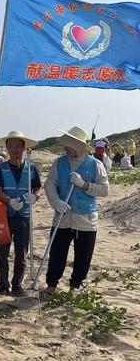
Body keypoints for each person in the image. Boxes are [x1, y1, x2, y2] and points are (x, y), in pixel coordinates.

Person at [43, 126, 109, 294]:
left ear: (80, 146)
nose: (66, 148)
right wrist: (56, 202)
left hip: (86, 218)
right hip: (63, 217)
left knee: (83, 254)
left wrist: (84, 185)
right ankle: (52, 284)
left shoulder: (95, 164)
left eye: (69, 145)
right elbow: (50, 183)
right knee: (57, 252)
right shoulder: (59, 162)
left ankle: (76, 285)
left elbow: (104, 190)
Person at [0, 131, 41, 297]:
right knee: (2, 254)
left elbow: (37, 189)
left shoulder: (32, 168)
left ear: (24, 148)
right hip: (5, 215)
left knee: (21, 253)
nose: (14, 149)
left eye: (18, 146)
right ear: (6, 148)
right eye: (11, 146)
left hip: (24, 216)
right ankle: (3, 286)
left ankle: (17, 285)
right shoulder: (0, 169)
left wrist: (34, 197)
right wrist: (9, 201)